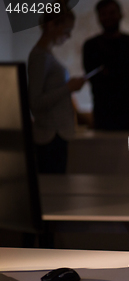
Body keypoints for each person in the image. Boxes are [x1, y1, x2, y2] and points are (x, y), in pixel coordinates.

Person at [28, 1, 85, 173]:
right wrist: (68, 88)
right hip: (50, 135)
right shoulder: (40, 56)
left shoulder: (46, 55)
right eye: (67, 30)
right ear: (52, 25)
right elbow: (35, 102)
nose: (68, 36)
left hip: (55, 133)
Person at [83, 0, 129, 130]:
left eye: (112, 13)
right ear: (98, 17)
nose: (108, 17)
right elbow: (95, 79)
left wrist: (110, 71)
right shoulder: (91, 46)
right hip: (105, 116)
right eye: (104, 14)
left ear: (120, 14)